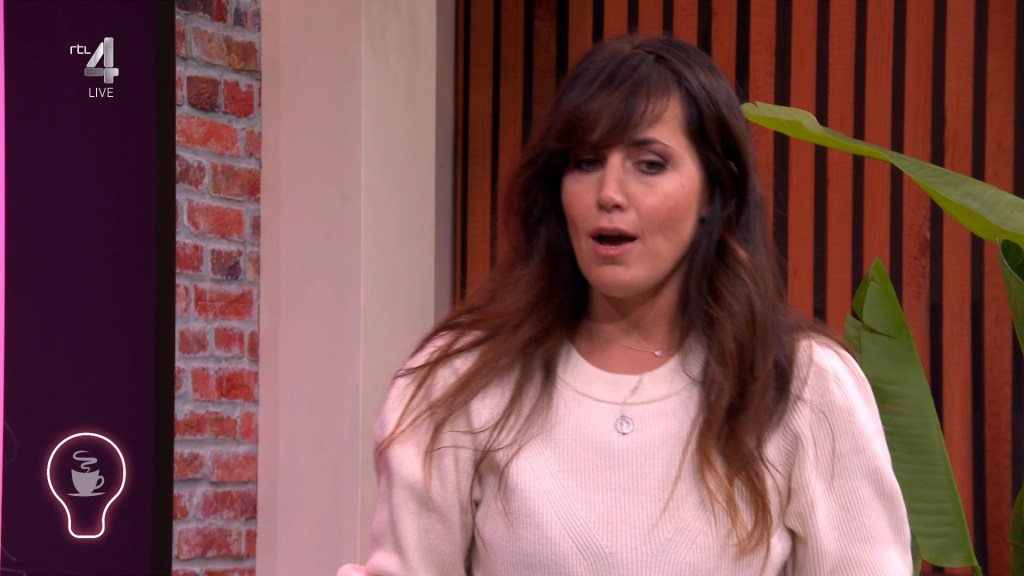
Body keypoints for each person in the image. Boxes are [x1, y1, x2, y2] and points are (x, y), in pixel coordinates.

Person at [339, 35, 911, 575]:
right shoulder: (460, 380)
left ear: (716, 190)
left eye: (649, 164)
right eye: (586, 162)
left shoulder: (802, 386)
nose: (608, 193)